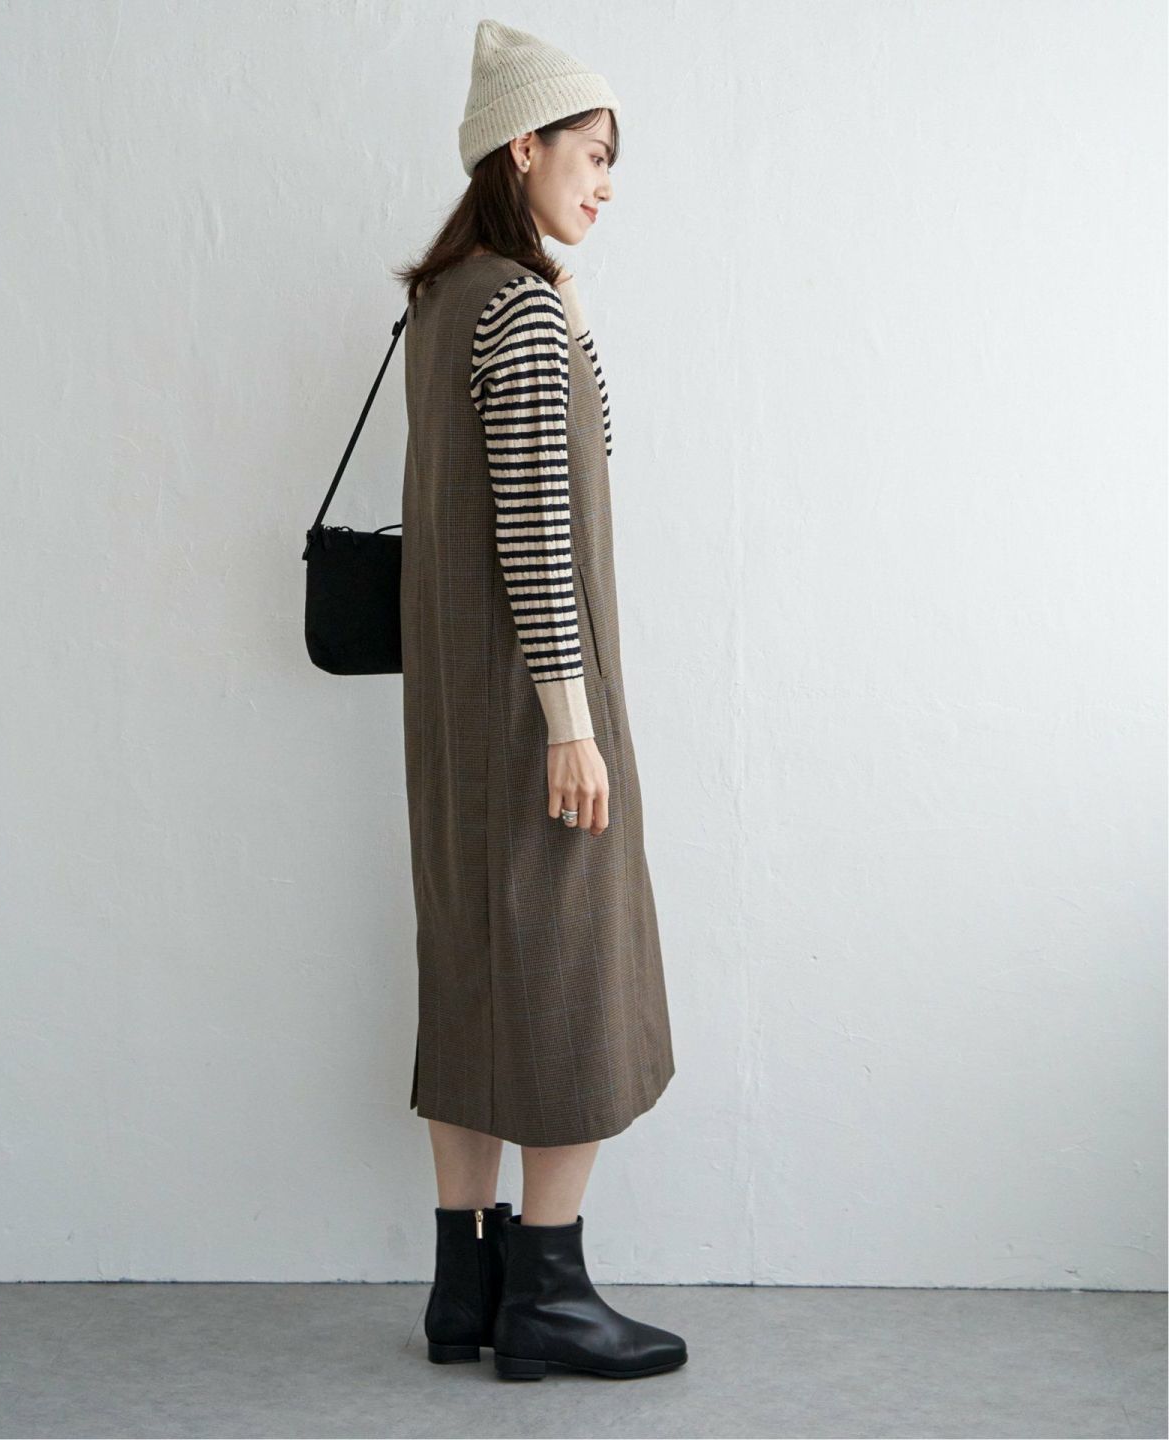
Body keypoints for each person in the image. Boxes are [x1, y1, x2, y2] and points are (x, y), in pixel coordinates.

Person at [392, 18, 685, 1381]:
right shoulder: (513, 306)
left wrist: (568, 309)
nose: (608, 182)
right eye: (595, 153)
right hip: (534, 710)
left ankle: (466, 1284)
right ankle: (551, 1293)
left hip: (455, 717)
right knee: (574, 976)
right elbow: (540, 524)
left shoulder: (448, 301)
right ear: (526, 145)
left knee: (469, 970)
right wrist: (573, 720)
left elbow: (542, 469)